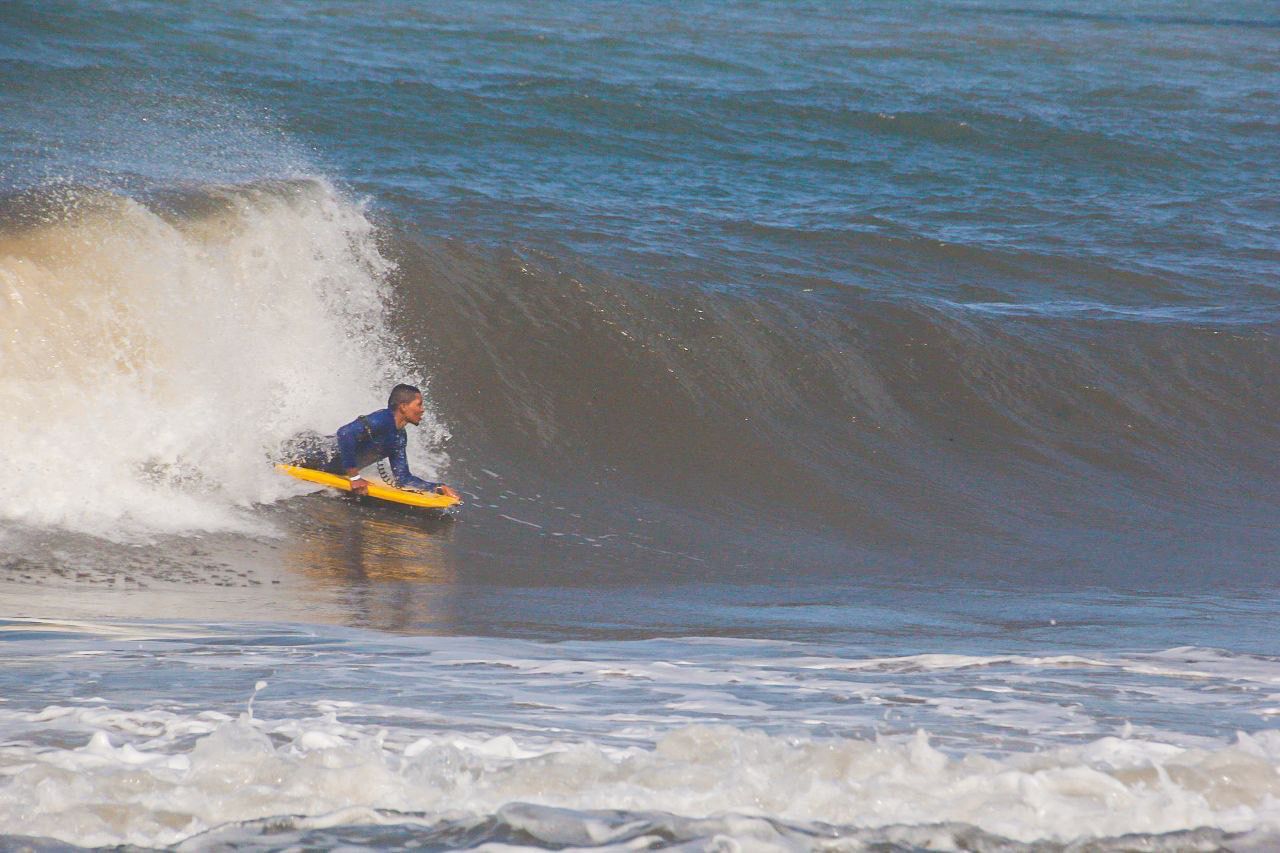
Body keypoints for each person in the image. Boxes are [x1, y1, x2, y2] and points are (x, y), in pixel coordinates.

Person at [289, 384, 459, 499]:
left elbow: (403, 478)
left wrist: (437, 488)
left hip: (326, 465)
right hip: (309, 453)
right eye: (419, 405)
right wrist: (355, 477)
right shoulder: (381, 419)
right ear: (403, 406)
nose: (422, 410)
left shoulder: (399, 437)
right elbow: (345, 433)